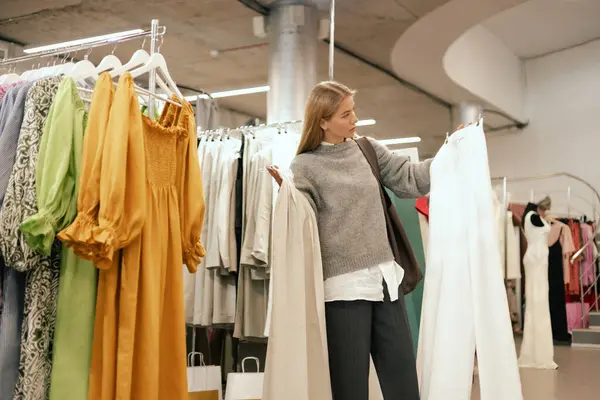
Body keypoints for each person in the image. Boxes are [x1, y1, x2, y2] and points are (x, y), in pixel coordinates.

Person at [268, 81, 432, 399]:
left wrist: (456, 154)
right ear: (323, 121)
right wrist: (286, 191)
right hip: (342, 291)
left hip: (386, 282)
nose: (354, 118)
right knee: (350, 389)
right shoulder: (304, 167)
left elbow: (411, 178)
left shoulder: (366, 149)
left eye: (353, 110)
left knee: (404, 385)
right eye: (346, 114)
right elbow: (301, 224)